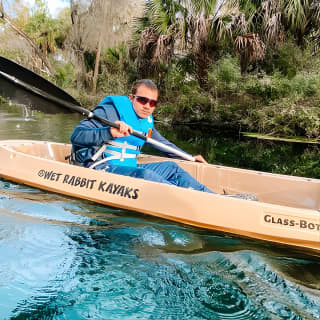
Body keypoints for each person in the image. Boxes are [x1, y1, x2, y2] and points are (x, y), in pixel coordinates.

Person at [70, 79, 213, 193]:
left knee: (172, 167)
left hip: (127, 168)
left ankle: (211, 197)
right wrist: (110, 132)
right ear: (131, 98)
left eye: (153, 103)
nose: (147, 106)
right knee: (146, 176)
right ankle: (187, 199)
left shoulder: (145, 122)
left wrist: (190, 158)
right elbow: (77, 136)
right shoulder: (109, 111)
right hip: (100, 167)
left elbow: (164, 145)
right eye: (143, 100)